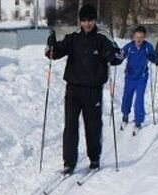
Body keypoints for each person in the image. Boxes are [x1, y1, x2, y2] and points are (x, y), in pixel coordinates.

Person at [45, 4, 123, 174]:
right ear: (80, 21)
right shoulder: (72, 39)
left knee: (93, 126)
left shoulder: (102, 39)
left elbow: (117, 56)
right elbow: (55, 53)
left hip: (93, 91)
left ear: (95, 20)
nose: (87, 24)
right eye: (84, 20)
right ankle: (69, 163)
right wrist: (51, 47)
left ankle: (94, 158)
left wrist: (114, 54)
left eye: (91, 20)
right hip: (73, 90)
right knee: (70, 126)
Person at [120, 26, 158, 133]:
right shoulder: (129, 47)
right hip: (129, 77)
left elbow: (154, 57)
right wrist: (114, 58)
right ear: (134, 37)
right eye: (137, 37)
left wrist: (155, 59)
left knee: (139, 100)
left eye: (141, 37)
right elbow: (120, 55)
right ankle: (125, 115)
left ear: (144, 37)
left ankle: (138, 122)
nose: (138, 40)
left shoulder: (147, 47)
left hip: (141, 78)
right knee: (127, 97)